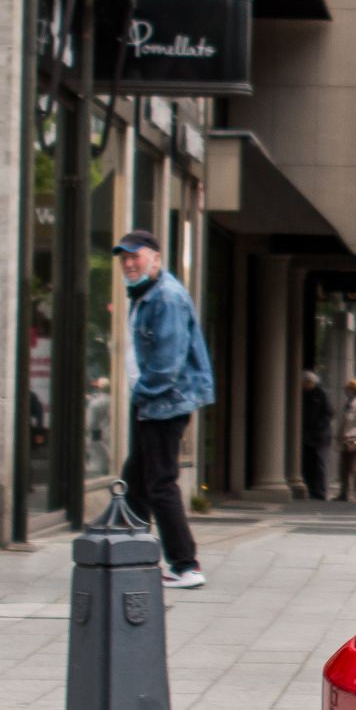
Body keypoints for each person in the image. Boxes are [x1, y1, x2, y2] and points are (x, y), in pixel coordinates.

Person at [111, 230, 213, 590]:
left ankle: (186, 565)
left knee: (159, 485)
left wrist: (141, 393)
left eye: (135, 256)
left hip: (162, 404)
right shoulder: (148, 294)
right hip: (155, 404)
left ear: (155, 258)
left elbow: (167, 365)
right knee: (136, 480)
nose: (128, 263)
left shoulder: (166, 298)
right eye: (124, 258)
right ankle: (130, 555)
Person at [300, 370, 332, 501]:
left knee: (318, 464)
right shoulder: (302, 394)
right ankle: (312, 488)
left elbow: (328, 413)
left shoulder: (320, 394)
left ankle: (320, 490)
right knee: (308, 463)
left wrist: (319, 426)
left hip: (318, 436)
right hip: (306, 434)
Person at [336, 378, 356, 502]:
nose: (346, 390)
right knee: (344, 468)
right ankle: (344, 493)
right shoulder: (349, 403)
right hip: (345, 442)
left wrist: (348, 435)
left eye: (349, 388)